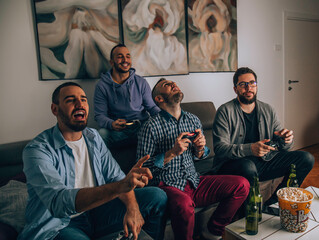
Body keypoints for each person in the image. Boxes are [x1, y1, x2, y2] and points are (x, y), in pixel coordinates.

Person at [18, 82, 167, 240]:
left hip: (97, 213)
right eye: (70, 100)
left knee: (157, 197)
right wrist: (120, 187)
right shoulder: (37, 150)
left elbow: (117, 178)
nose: (79, 104)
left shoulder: (93, 137)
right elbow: (58, 204)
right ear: (55, 109)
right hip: (60, 224)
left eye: (83, 99)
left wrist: (132, 208)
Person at [137, 78, 250, 240]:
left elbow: (201, 155)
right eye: (167, 85)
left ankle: (212, 232)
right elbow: (141, 168)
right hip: (167, 185)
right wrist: (171, 153)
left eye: (173, 83)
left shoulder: (193, 120)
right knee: (184, 205)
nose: (173, 85)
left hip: (194, 181)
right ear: (159, 99)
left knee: (242, 185)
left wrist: (200, 149)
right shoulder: (150, 127)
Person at [211, 67, 314, 205]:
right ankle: (252, 210)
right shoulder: (225, 111)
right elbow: (220, 149)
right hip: (233, 165)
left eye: (252, 83)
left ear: (256, 86)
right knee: (248, 166)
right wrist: (250, 149)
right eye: (243, 84)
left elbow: (284, 146)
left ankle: (274, 203)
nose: (248, 88)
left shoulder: (268, 110)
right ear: (235, 89)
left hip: (263, 162)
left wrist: (286, 140)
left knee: (306, 158)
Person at [94, 43, 160, 147]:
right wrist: (112, 124)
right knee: (101, 134)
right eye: (120, 57)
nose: (125, 60)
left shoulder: (141, 82)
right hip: (118, 131)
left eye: (128, 56)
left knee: (158, 131)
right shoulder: (102, 86)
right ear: (112, 62)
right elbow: (100, 115)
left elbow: (151, 107)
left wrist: (166, 118)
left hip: (141, 128)